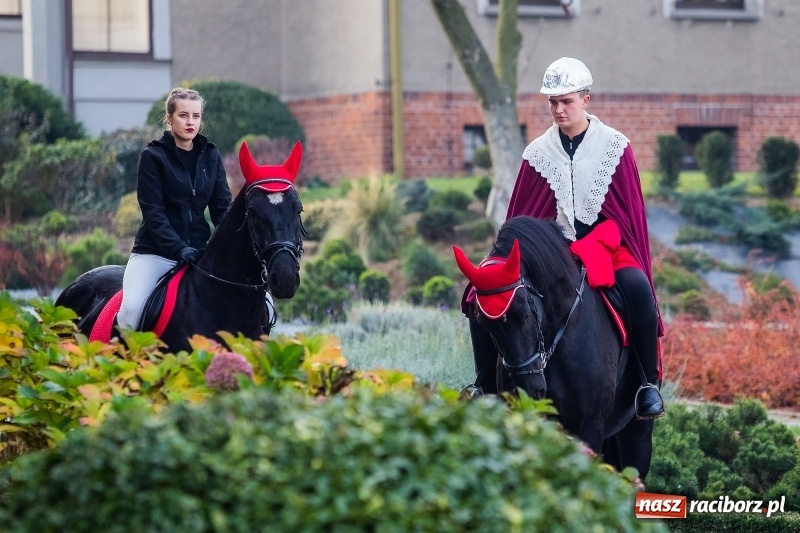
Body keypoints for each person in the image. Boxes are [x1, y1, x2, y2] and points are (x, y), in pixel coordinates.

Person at [466, 57, 665, 419]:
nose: (559, 110)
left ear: (586, 100)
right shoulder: (537, 153)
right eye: (553, 102)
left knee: (637, 288)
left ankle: (646, 384)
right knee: (481, 293)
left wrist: (599, 239)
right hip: (550, 254)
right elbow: (524, 215)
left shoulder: (615, 146)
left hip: (604, 246)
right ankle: (484, 384)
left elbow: (628, 213)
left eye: (567, 102)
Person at [117, 87, 232, 330]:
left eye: (196, 116)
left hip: (200, 255)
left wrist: (233, 245)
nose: (191, 122)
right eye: (183, 115)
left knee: (261, 304)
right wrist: (179, 248)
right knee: (131, 312)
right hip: (155, 254)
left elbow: (223, 210)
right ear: (169, 119)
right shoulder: (153, 156)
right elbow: (153, 213)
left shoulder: (211, 157)